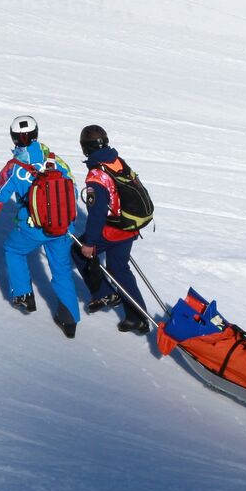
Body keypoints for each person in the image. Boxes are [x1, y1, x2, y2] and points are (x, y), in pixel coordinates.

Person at [0, 116, 81, 338]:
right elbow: (73, 191)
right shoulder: (55, 160)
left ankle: (23, 295)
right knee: (61, 269)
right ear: (37, 133)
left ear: (13, 138)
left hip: (33, 228)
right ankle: (69, 320)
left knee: (13, 250)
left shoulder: (14, 168)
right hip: (63, 226)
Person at [72, 124, 153, 334]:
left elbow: (97, 213)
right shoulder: (116, 161)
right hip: (130, 225)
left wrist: (89, 243)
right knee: (119, 269)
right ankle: (138, 318)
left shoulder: (96, 175)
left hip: (114, 229)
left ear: (85, 148)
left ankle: (104, 293)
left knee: (78, 251)